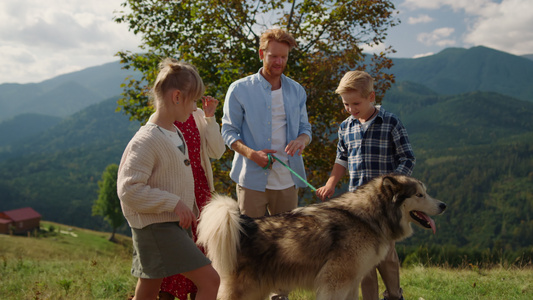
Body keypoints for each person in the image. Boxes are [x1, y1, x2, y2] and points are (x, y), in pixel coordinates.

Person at [117, 58, 220, 300]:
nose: (195, 108)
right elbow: (129, 189)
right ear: (176, 97)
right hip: (156, 228)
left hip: (169, 225)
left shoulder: (175, 132)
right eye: (192, 100)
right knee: (211, 280)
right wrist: (173, 203)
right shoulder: (146, 140)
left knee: (150, 288)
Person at [221, 28, 312, 300]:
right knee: (249, 247)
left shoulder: (297, 90)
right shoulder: (239, 89)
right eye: (273, 56)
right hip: (251, 180)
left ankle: (280, 296)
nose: (279, 62)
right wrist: (251, 154)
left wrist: (301, 141)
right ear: (262, 53)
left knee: (287, 246)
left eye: (284, 57)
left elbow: (306, 128)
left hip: (288, 180)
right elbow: (228, 132)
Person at [316, 70, 415, 300]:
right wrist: (331, 183)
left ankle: (393, 294)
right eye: (346, 104)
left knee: (386, 254)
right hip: (357, 205)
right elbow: (341, 158)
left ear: (371, 97)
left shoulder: (390, 122)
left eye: (355, 103)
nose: (351, 109)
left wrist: (396, 187)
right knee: (363, 257)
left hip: (385, 204)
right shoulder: (346, 127)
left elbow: (407, 158)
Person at [158, 96, 226, 300]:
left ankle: (201, 292)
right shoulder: (162, 119)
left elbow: (218, 151)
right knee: (177, 247)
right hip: (175, 192)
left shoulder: (198, 116)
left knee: (202, 247)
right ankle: (166, 295)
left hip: (201, 190)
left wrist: (210, 117)